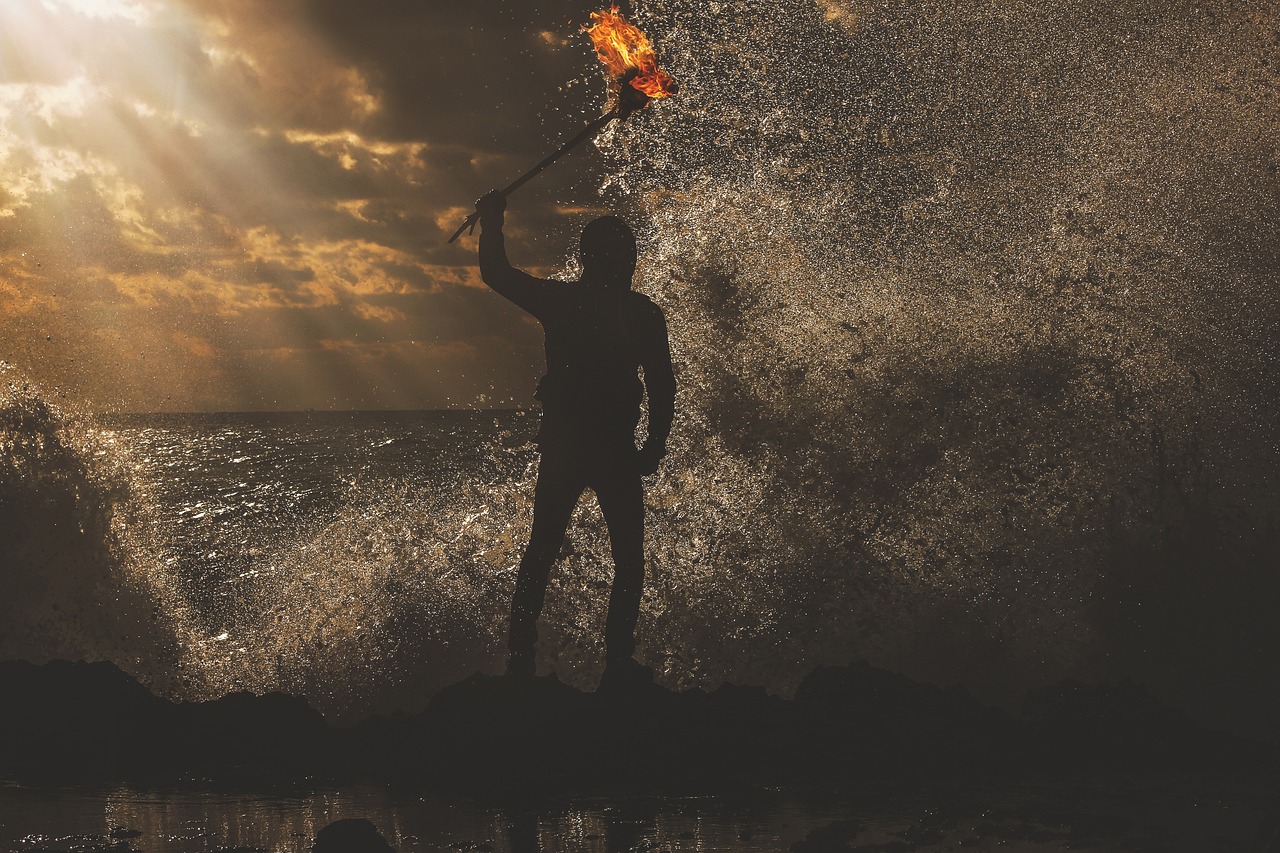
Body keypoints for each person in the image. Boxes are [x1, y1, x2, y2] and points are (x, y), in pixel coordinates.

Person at [474, 190, 675, 690]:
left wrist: (493, 220)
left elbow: (662, 381)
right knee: (605, 556)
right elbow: (662, 383)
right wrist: (654, 443)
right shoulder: (621, 310)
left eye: (626, 256)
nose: (624, 265)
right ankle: (592, 662)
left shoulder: (604, 309)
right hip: (592, 448)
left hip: (591, 448)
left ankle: (554, 661)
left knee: (568, 552)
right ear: (599, 259)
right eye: (619, 256)